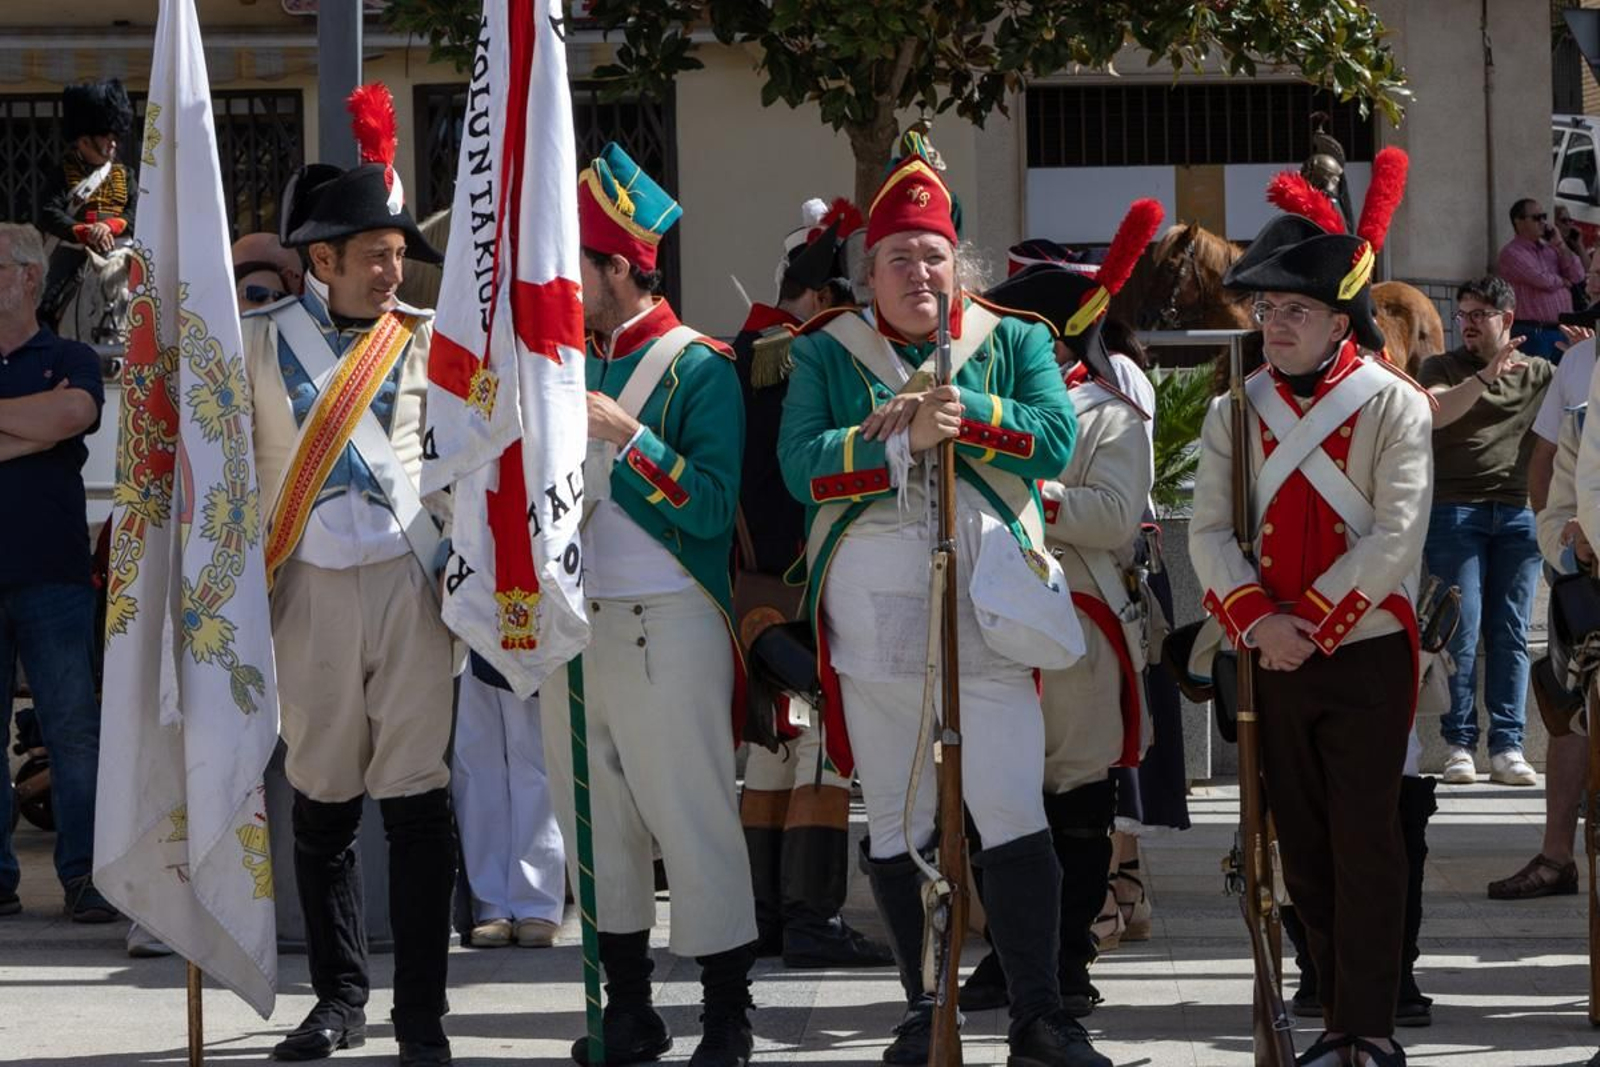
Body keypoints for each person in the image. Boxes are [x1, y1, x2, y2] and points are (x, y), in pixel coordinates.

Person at [778, 147, 1109, 1067]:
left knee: (1010, 805)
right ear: (868, 271)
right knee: (897, 812)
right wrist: (894, 441)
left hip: (987, 596)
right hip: (872, 604)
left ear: (957, 264)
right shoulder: (824, 350)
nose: (918, 274)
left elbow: (1050, 439)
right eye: (898, 258)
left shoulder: (1016, 338)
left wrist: (965, 414)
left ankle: (1040, 1012)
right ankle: (926, 1005)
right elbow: (800, 464)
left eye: (932, 256)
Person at [1192, 154, 1432, 1066]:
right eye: (1266, 310)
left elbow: (1396, 536)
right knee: (1300, 848)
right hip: (1270, 652)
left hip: (1364, 650)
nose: (1275, 326)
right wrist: (1261, 622)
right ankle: (1331, 1011)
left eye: (1295, 311)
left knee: (1366, 841)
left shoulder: (1392, 406)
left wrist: (1311, 624)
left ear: (1340, 321)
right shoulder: (1234, 410)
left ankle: (1366, 1026)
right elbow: (1210, 532)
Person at [242, 84, 455, 1067]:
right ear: (320, 259)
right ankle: (337, 999)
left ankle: (421, 1013)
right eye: (373, 251)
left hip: (412, 592)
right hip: (311, 595)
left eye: (398, 251)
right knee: (322, 802)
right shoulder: (256, 347)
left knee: (417, 802)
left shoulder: (422, 345)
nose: (391, 264)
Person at [537, 142, 757, 1067]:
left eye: (575, 267)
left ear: (618, 268)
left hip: (670, 620)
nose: (563, 285)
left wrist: (627, 438)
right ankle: (628, 1012)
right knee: (600, 829)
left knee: (693, 817)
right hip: (578, 624)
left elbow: (710, 506)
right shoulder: (563, 363)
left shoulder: (699, 367)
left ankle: (728, 1017)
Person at [960, 203, 1162, 1024]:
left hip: (1079, 625)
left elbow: (1115, 516)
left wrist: (1027, 489)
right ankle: (1014, 957)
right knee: (997, 799)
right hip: (990, 616)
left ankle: (1067, 958)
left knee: (1073, 800)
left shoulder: (1111, 413)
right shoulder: (984, 404)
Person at [731, 196, 890, 971]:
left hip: (748, 583)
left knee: (771, 743)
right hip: (806, 577)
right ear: (828, 295)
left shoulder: (739, 350)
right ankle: (810, 917)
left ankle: (763, 913)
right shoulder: (806, 353)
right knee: (822, 741)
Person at [0, 222, 115, 925]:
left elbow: (76, 410)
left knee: (73, 730)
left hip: (55, 576)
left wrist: (50, 421)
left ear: (27, 278)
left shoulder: (69, 354)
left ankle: (86, 876)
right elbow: (56, 421)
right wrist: (33, 430)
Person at [1487, 260, 1600, 899]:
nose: (1593, 275)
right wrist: (1563, 551)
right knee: (1570, 716)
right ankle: (1557, 856)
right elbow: (1550, 466)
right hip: (1586, 579)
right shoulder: (1580, 366)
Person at [1417, 276, 1552, 786]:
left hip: (1519, 514)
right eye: (1463, 315)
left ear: (1507, 319)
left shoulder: (1539, 372)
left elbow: (1579, 411)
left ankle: (1508, 746)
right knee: (1462, 632)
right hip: (1455, 513)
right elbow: (1433, 412)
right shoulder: (1441, 367)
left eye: (1480, 315)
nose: (1468, 324)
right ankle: (1459, 745)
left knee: (1511, 632)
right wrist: (1485, 377)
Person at [451, 655, 564, 949]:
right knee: (474, 762)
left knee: (533, 757)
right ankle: (491, 904)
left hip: (524, 620)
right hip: (462, 618)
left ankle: (538, 903)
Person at [38, 80, 137, 326]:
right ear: (83, 140)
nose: (113, 142)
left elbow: (136, 212)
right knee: (46, 303)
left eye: (114, 136)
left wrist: (110, 227)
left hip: (122, 247)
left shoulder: (125, 175)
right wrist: (84, 232)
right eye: (105, 137)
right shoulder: (63, 172)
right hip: (77, 249)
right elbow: (48, 212)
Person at [1497, 198, 1584, 360]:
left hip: (1562, 331)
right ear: (1519, 222)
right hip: (1534, 331)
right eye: (1536, 218)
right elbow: (1540, 279)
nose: (1543, 222)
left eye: (1544, 217)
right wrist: (1563, 282)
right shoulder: (1512, 253)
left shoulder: (1551, 249)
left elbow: (1577, 274)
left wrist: (1560, 244)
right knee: (1540, 382)